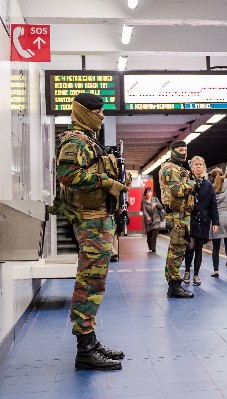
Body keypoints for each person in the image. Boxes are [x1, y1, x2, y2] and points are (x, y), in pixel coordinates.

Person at [55, 93, 127, 370]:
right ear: (84, 111)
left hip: (99, 220)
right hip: (90, 221)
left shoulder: (90, 142)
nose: (102, 115)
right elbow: (69, 176)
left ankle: (90, 340)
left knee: (95, 283)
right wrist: (106, 181)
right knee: (89, 283)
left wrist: (116, 179)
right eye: (97, 111)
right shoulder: (75, 141)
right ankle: (85, 349)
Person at [159, 141, 195, 298]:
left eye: (185, 150)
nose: (184, 153)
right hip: (178, 215)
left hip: (178, 215)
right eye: (180, 150)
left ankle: (172, 284)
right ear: (172, 151)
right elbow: (178, 191)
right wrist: (193, 184)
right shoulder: (172, 169)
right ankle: (174, 285)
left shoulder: (174, 168)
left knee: (175, 249)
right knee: (178, 250)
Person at [183, 156, 219, 286]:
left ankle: (196, 275)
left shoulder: (208, 185)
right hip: (189, 220)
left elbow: (213, 204)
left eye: (201, 164)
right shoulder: (186, 182)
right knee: (190, 246)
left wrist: (215, 222)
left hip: (203, 221)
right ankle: (187, 271)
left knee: (199, 248)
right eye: (196, 164)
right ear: (191, 167)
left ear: (204, 167)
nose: (198, 166)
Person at [208, 168, 227, 277]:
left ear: (211, 177)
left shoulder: (211, 188)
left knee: (215, 247)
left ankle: (216, 271)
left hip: (216, 219)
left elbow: (208, 205)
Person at [142, 187, 164, 253]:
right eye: (148, 192)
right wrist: (147, 217)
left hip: (156, 220)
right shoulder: (144, 202)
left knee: (154, 236)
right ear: (145, 194)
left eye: (150, 192)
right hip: (149, 221)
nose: (149, 193)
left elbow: (161, 207)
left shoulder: (155, 199)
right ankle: (150, 246)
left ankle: (154, 249)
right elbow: (144, 211)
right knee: (149, 236)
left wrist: (156, 204)